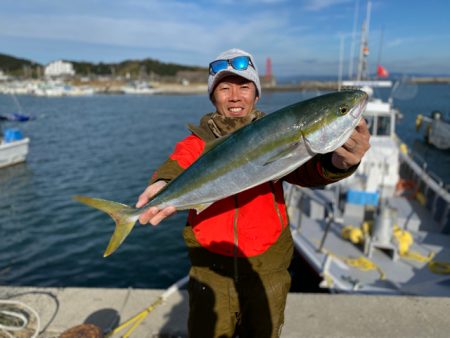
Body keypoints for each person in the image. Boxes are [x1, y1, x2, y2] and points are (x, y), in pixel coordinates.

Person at [136, 48, 370, 338]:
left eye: (244, 87)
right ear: (213, 96)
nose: (235, 96)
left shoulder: (277, 132)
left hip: (267, 266)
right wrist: (162, 183)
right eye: (225, 88)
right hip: (209, 266)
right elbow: (177, 164)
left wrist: (340, 162)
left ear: (256, 95)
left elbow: (307, 170)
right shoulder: (198, 143)